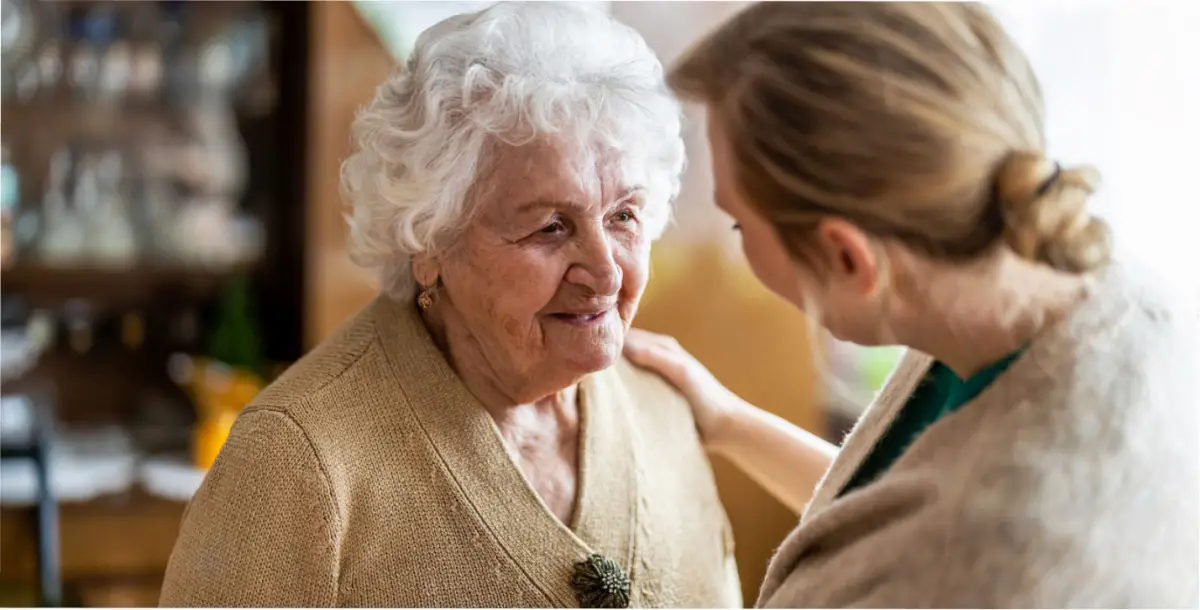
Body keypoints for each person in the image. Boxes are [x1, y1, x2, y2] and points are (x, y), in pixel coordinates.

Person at [160, 3, 741, 607]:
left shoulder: (665, 412)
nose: (605, 270)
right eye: (549, 227)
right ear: (428, 239)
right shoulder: (296, 462)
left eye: (624, 216)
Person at [624, 2, 1199, 608]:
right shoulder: (1075, 284)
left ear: (846, 258)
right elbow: (893, 517)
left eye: (739, 226)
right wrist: (728, 422)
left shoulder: (1008, 558)